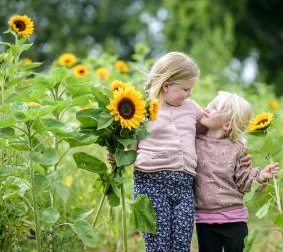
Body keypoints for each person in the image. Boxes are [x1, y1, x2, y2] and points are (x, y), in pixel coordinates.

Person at [107, 52, 252, 251]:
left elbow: (213, 129)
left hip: (184, 188)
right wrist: (116, 157)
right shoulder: (143, 112)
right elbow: (130, 152)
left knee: (181, 244)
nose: (189, 94)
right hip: (151, 185)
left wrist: (236, 147)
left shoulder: (191, 108)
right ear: (166, 85)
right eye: (186, 89)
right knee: (159, 244)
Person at [194, 91, 280, 252]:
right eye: (210, 104)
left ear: (227, 124)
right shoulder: (195, 142)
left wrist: (261, 175)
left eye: (214, 108)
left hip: (234, 219)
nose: (207, 108)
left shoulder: (238, 149)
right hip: (204, 220)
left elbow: (244, 181)